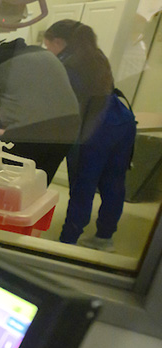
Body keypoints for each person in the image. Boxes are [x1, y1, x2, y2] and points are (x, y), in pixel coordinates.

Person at [44, 20, 137, 251]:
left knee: (82, 185)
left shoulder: (66, 65)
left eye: (48, 46)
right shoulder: (97, 56)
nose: (48, 51)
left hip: (93, 128)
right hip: (120, 120)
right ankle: (105, 238)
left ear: (58, 42)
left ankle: (68, 241)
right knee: (114, 182)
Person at [0, 36, 80, 183]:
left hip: (32, 133)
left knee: (7, 181)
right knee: (38, 183)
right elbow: (32, 93)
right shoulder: (40, 52)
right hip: (70, 128)